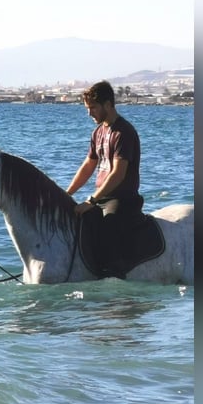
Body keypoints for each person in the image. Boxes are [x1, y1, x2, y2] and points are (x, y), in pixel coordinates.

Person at [65, 80, 144, 278]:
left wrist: (91, 200)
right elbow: (88, 166)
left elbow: (118, 173)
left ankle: (114, 275)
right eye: (87, 108)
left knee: (110, 225)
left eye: (93, 108)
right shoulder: (98, 132)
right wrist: (66, 194)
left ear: (108, 104)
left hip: (121, 199)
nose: (89, 113)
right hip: (101, 198)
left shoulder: (123, 132)